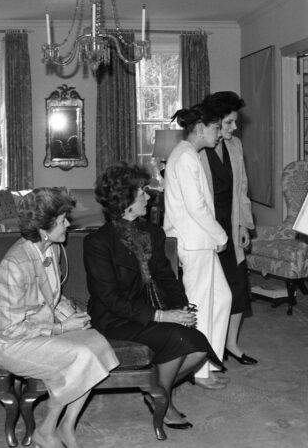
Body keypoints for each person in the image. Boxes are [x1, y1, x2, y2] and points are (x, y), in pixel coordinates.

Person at [84, 163, 222, 429]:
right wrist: (162, 316)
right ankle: (164, 401)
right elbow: (109, 297)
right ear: (125, 199)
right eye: (142, 192)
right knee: (179, 338)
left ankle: (155, 389)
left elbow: (166, 277)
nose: (148, 196)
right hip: (115, 317)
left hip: (150, 308)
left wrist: (182, 308)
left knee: (198, 348)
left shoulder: (153, 233)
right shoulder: (98, 243)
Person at [0, 188, 118, 448]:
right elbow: (11, 328)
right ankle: (46, 430)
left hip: (37, 329)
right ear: (44, 228)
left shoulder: (52, 249)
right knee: (81, 357)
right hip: (8, 341)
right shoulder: (15, 264)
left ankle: (67, 427)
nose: (68, 224)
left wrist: (74, 316)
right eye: (61, 221)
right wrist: (59, 328)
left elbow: (52, 299)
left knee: (98, 343)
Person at [163, 104, 232, 390]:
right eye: (217, 128)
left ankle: (207, 362)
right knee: (201, 306)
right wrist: (221, 236)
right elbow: (197, 207)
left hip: (199, 240)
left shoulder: (189, 154)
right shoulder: (186, 157)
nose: (220, 134)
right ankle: (198, 369)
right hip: (194, 242)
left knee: (223, 298)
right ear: (201, 128)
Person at [200, 91, 258, 366]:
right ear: (214, 121)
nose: (234, 128)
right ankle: (210, 347)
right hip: (207, 228)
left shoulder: (234, 146)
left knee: (237, 287)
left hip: (231, 223)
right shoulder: (197, 149)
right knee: (211, 291)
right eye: (229, 123)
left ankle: (232, 344)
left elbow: (242, 188)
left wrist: (244, 223)